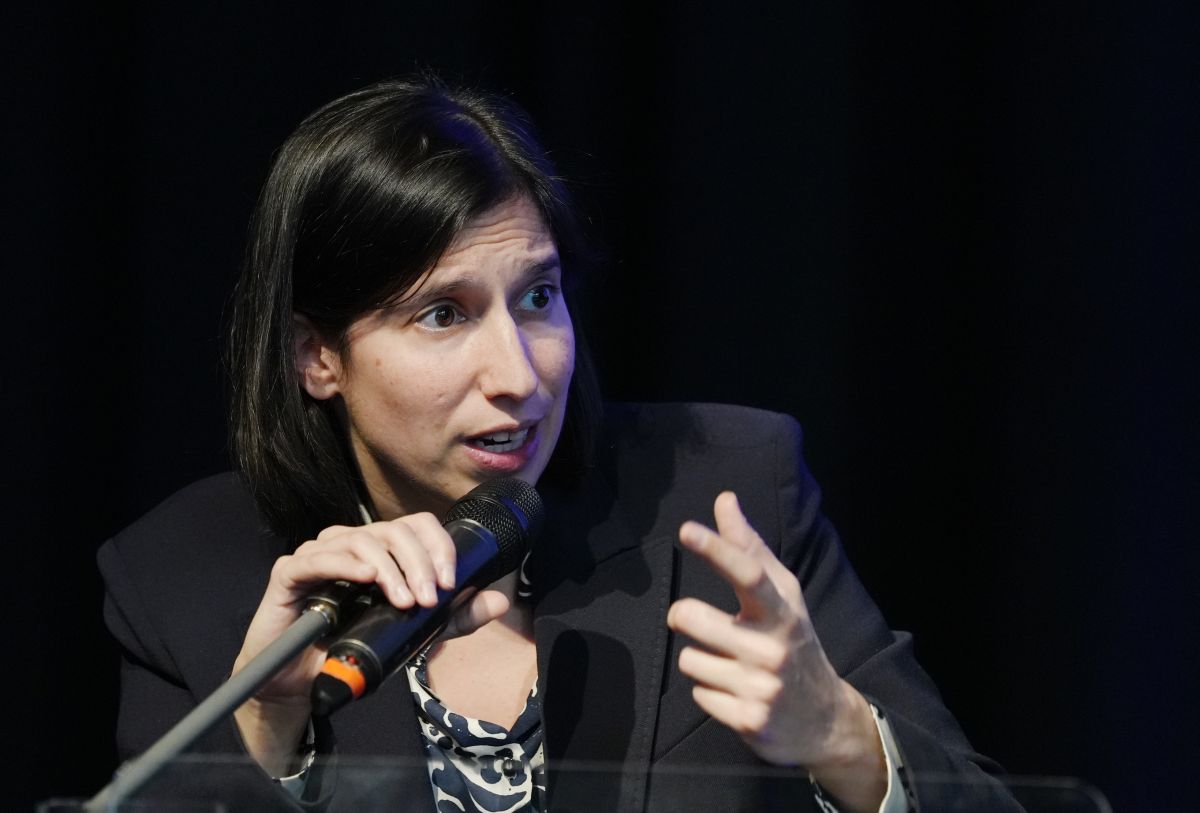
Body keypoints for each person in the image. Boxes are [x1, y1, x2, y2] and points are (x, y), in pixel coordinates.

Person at [98, 77, 1015, 812]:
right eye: (444, 313)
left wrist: (843, 735)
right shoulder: (179, 579)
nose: (519, 372)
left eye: (537, 296)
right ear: (318, 357)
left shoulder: (731, 489)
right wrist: (268, 722)